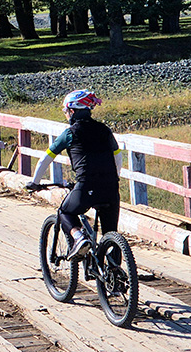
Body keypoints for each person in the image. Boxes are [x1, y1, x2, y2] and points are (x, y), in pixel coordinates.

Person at [25, 90, 123, 261]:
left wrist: (35, 182)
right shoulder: (104, 130)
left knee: (65, 212)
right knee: (111, 234)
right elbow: (118, 156)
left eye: (66, 111)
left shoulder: (70, 133)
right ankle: (116, 275)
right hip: (111, 187)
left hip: (87, 186)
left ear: (72, 111)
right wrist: (115, 177)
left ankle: (79, 238)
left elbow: (45, 159)